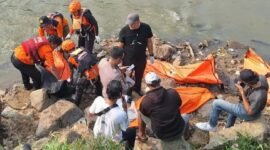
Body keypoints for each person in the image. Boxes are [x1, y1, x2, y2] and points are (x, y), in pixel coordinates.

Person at [196, 69, 269, 131]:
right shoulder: (261, 78)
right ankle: (228, 127)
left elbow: (250, 112)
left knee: (216, 103)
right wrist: (242, 84)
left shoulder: (259, 95)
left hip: (249, 114)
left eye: (243, 81)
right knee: (232, 111)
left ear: (248, 83)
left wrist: (242, 92)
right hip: (251, 105)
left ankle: (211, 126)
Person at [138, 72, 191, 150]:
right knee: (186, 115)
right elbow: (179, 104)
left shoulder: (146, 101)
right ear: (159, 81)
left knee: (140, 113)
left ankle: (141, 134)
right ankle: (186, 135)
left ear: (147, 85)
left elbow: (145, 113)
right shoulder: (173, 92)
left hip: (163, 136)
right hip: (179, 130)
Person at [88, 80, 136, 149]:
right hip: (111, 141)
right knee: (132, 131)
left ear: (107, 91)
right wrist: (125, 109)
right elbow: (125, 128)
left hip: (97, 134)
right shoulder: (121, 114)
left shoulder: (98, 100)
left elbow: (90, 114)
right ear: (120, 95)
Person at [118, 12, 154, 96]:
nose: (130, 26)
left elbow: (149, 41)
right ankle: (128, 92)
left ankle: (137, 89)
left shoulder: (146, 28)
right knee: (127, 76)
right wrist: (119, 59)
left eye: (132, 24)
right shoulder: (124, 30)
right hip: (128, 59)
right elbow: (120, 46)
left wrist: (151, 54)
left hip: (141, 59)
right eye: (129, 24)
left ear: (138, 22)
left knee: (139, 75)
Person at [61, 39, 101, 104]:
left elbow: (71, 72)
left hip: (88, 76)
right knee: (98, 84)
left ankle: (76, 102)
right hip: (96, 70)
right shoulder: (83, 49)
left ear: (66, 51)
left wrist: (71, 81)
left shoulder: (70, 59)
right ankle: (100, 94)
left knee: (79, 87)